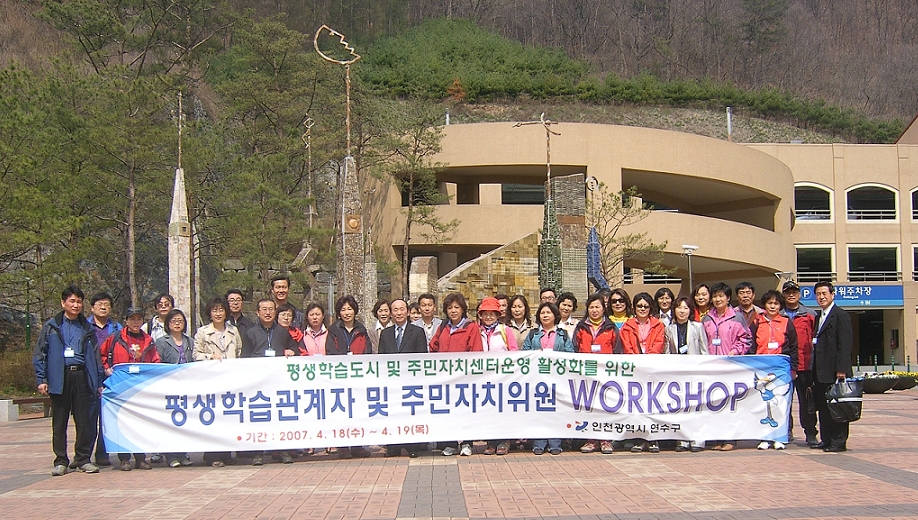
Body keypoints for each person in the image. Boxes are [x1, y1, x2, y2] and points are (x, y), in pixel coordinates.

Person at [33, 285, 105, 476]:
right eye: (72, 301)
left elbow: (96, 357)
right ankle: (60, 460)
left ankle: (82, 459)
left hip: (82, 376)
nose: (76, 305)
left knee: (85, 422)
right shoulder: (52, 327)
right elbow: (40, 354)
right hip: (60, 376)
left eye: (79, 301)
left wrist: (98, 382)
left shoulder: (87, 327)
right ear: (63, 303)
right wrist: (42, 379)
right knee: (59, 422)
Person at [100, 306, 161, 471]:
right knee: (122, 422)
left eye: (139, 319)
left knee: (140, 423)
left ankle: (141, 458)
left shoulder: (148, 340)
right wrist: (107, 369)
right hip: (121, 388)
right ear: (126, 321)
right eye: (132, 319)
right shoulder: (115, 339)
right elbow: (102, 355)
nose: (136, 322)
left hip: (141, 388)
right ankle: (124, 459)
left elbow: (156, 361)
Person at [242, 298, 298, 465]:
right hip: (258, 382)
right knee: (259, 417)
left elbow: (295, 347)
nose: (267, 312)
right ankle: (257, 453)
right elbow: (244, 357)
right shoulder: (250, 332)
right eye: (264, 309)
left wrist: (291, 351)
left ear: (275, 312)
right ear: (257, 312)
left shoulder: (282, 331)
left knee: (279, 417)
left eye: (271, 309)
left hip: (278, 381)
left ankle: (283, 451)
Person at [193, 296, 243, 467]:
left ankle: (227, 452)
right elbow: (196, 354)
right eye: (215, 310)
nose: (218, 313)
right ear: (209, 312)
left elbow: (239, 351)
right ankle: (212, 454)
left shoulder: (233, 331)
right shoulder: (202, 332)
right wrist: (210, 357)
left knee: (228, 417)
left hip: (230, 380)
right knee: (213, 418)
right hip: (211, 381)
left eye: (221, 309)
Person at [430, 292, 482, 456]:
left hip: (464, 377)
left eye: (456, 307)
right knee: (449, 411)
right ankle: (451, 443)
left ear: (463, 309)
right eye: (450, 308)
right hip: (445, 377)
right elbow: (433, 346)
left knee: (465, 409)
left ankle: (467, 443)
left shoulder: (471, 327)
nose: (453, 311)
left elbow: (476, 351)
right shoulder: (443, 326)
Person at [701, 283, 751, 452]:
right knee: (713, 404)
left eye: (721, 296)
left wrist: (736, 351)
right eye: (715, 296)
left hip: (730, 368)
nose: (717, 299)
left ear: (728, 298)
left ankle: (731, 439)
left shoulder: (737, 318)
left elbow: (746, 339)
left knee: (730, 404)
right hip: (711, 369)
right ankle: (716, 438)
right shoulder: (706, 319)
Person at [522, 302, 573, 455]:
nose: (545, 315)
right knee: (539, 410)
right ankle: (539, 442)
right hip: (537, 379)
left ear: (555, 315)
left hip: (558, 379)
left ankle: (555, 442)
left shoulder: (563, 334)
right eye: (542, 313)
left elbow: (570, 353)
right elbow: (524, 353)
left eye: (548, 313)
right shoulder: (533, 334)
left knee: (555, 410)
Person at [750, 290, 799, 450]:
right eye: (770, 303)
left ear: (780, 306)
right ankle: (764, 437)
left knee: (781, 403)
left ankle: (780, 437)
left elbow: (793, 348)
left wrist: (793, 369)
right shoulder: (757, 322)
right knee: (762, 403)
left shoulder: (786, 322)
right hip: (762, 369)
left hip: (781, 369)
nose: (773, 306)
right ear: (764, 304)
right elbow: (751, 347)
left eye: (776, 303)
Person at [379, 299, 428, 458]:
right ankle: (393, 446)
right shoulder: (385, 333)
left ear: (407, 312)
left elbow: (422, 357)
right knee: (393, 413)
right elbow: (381, 358)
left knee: (410, 414)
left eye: (401, 309)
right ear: (391, 313)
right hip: (392, 382)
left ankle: (412, 446)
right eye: (395, 310)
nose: (398, 313)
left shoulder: (417, 332)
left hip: (411, 382)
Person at [620, 292, 666, 453]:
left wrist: (648, 361)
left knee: (654, 404)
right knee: (637, 405)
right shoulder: (627, 325)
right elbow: (627, 346)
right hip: (635, 370)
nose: (642, 308)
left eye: (646, 306)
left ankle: (653, 439)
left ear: (651, 307)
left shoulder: (658, 325)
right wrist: (637, 362)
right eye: (639, 305)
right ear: (634, 307)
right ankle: (639, 439)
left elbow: (659, 344)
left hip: (652, 369)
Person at [572, 294, 618, 454]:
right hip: (586, 374)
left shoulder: (611, 328)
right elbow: (575, 349)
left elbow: (617, 350)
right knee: (589, 406)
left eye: (597, 307)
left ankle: (605, 440)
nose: (594, 310)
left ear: (604, 308)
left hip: (606, 374)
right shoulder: (581, 327)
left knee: (605, 406)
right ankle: (591, 440)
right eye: (591, 307)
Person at [326, 295, 371, 459]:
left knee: (358, 411)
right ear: (339, 313)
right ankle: (343, 446)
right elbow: (330, 352)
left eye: (349, 309)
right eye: (343, 309)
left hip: (358, 378)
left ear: (355, 311)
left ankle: (357, 445)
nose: (347, 313)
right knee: (341, 411)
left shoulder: (362, 329)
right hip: (340, 377)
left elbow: (367, 352)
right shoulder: (333, 330)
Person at [811, 281, 853, 452]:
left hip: (835, 371)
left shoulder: (840, 315)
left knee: (837, 407)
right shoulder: (818, 317)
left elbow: (845, 344)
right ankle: (826, 439)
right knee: (823, 407)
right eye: (818, 294)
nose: (821, 297)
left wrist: (841, 369)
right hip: (820, 371)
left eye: (824, 293)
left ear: (832, 294)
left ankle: (839, 441)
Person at [664, 296, 708, 452]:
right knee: (680, 407)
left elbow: (704, 351)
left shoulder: (697, 327)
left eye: (685, 308)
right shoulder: (669, 329)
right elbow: (667, 353)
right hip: (677, 374)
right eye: (678, 307)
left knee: (696, 407)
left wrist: (705, 370)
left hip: (695, 372)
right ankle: (682, 439)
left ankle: (697, 439)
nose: (682, 311)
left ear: (690, 311)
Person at [476, 297, 517, 456]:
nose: (488, 317)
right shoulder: (476, 330)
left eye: (492, 314)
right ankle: (490, 442)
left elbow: (513, 351)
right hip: (483, 377)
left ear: (497, 315)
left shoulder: (505, 330)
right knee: (487, 410)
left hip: (503, 377)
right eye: (485, 314)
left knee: (503, 410)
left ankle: (504, 441)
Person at [154, 309, 194, 468]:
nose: (177, 324)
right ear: (167, 324)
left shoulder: (190, 341)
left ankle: (183, 453)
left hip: (187, 387)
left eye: (180, 321)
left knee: (185, 421)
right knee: (170, 421)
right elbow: (158, 363)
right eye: (173, 321)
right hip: (169, 386)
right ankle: (170, 455)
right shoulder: (162, 342)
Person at [782, 280, 818, 446]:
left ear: (799, 294)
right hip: (784, 367)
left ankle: (810, 432)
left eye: (794, 292)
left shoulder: (810, 315)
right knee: (784, 402)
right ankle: (786, 431)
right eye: (788, 292)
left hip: (805, 366)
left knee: (807, 402)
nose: (791, 295)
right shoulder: (778, 315)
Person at [87, 292, 121, 468]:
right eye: (99, 304)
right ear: (92, 307)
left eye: (106, 304)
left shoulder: (116, 328)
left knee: (107, 417)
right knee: (88, 418)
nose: (103, 307)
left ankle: (102, 453)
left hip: (110, 375)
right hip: (89, 376)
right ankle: (84, 455)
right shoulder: (84, 326)